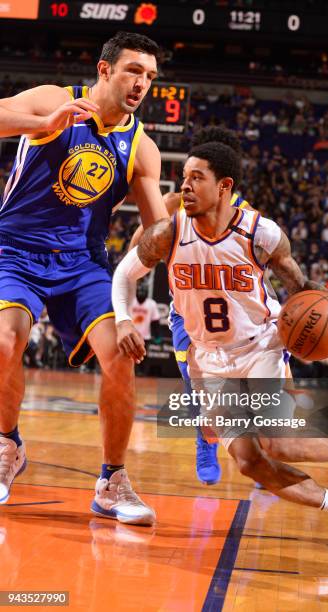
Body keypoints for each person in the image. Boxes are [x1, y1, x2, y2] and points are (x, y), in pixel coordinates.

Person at [112, 141, 328, 549]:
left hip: (260, 345)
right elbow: (124, 274)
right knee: (250, 463)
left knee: (275, 440)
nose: (186, 186)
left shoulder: (259, 232)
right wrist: (123, 320)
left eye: (197, 178)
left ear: (224, 185)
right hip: (209, 359)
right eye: (184, 178)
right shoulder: (170, 231)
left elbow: (302, 289)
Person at [0, 31, 169, 525]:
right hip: (13, 251)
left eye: (150, 77)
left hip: (83, 263)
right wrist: (41, 123)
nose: (142, 84)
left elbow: (154, 230)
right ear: (104, 70)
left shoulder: (142, 148)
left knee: (120, 353)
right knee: (6, 341)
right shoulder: (56, 100)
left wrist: (171, 230)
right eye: (133, 71)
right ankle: (7, 445)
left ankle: (112, 481)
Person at [128, 127, 253, 486]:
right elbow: (140, 246)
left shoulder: (246, 216)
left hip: (233, 317)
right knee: (196, 384)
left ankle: (260, 449)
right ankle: (205, 442)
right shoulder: (173, 204)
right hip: (187, 314)